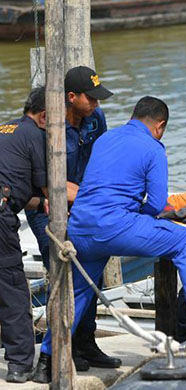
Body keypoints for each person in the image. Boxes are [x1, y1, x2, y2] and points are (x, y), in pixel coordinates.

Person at [33, 97, 186, 383]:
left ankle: (46, 360)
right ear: (160, 126)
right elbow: (158, 202)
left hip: (82, 228)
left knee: (79, 295)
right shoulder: (153, 147)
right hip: (117, 226)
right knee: (185, 242)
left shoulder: (106, 139)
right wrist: (142, 217)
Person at [25, 66, 114, 371]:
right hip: (47, 207)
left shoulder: (95, 120)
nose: (97, 105)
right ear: (71, 97)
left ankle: (86, 344)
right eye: (91, 99)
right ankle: (63, 345)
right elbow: (48, 181)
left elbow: (101, 161)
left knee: (92, 273)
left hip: (84, 203)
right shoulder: (47, 127)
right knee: (62, 275)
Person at [0, 87, 49, 383]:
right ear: (44, 116)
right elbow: (48, 191)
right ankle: (19, 364)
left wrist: (39, 201)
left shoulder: (6, 128)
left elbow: (19, 190)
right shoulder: (35, 136)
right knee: (13, 289)